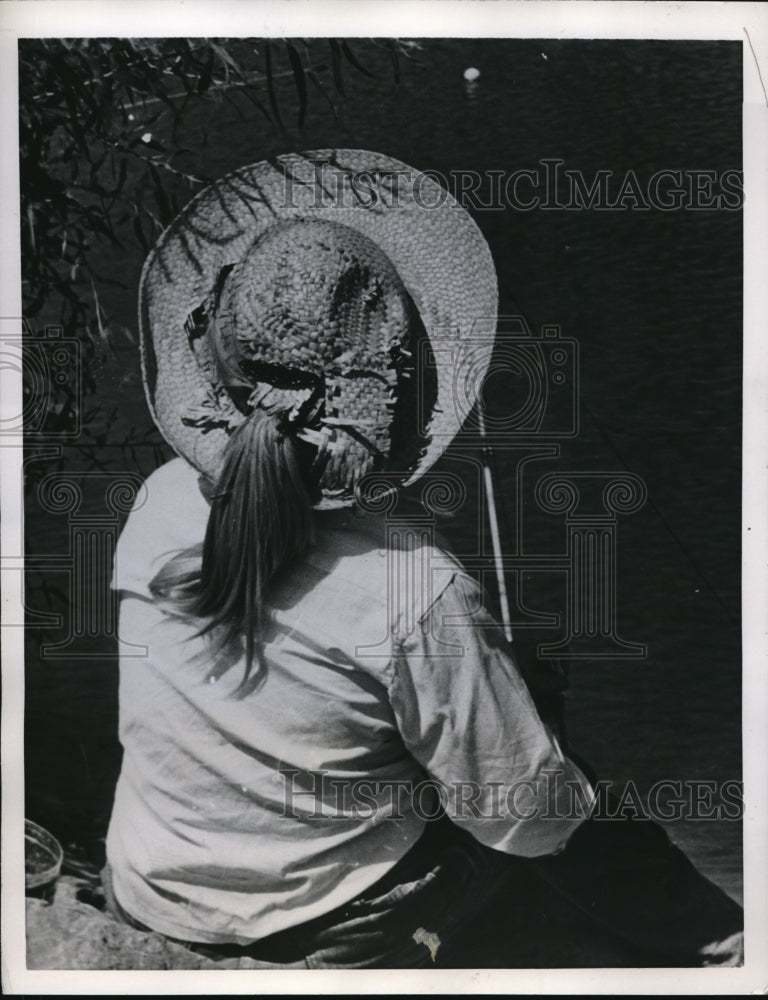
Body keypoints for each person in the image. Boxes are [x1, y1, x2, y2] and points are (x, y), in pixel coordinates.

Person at [103, 150, 743, 969]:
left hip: (150, 888)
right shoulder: (414, 588)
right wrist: (528, 722)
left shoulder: (158, 499)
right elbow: (524, 820)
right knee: (566, 802)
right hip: (318, 927)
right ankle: (729, 950)